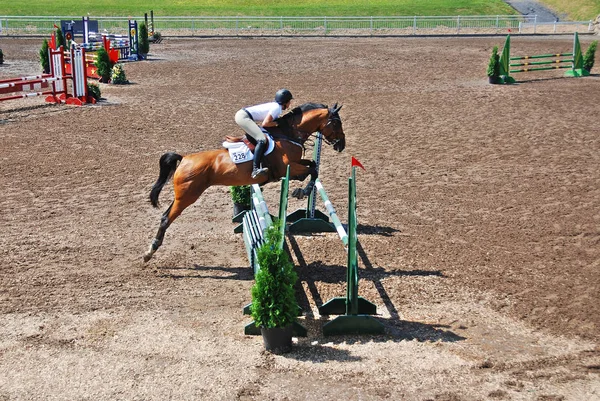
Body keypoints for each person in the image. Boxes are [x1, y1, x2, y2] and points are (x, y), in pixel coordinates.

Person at [235, 89, 293, 179]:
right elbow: (265, 124)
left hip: (243, 115)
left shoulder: (275, 106)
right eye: (290, 101)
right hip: (243, 117)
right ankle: (255, 169)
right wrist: (278, 123)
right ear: (285, 101)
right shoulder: (277, 108)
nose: (290, 104)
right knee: (262, 140)